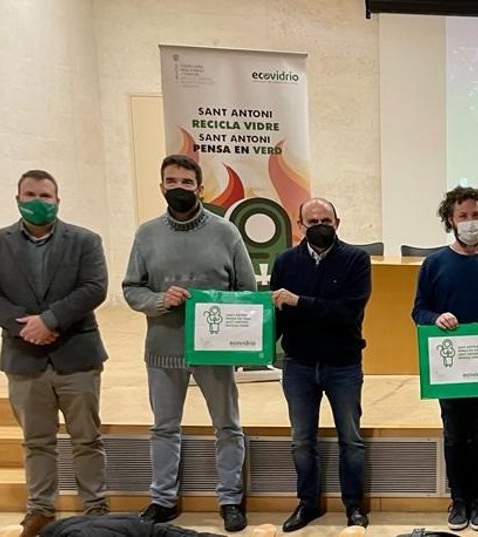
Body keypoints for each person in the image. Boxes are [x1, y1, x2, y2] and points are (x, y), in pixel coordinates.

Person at [122, 155, 257, 532]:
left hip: (215, 349)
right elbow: (131, 289)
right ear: (161, 186)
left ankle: (230, 499)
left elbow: (246, 289)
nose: (179, 188)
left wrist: (223, 316)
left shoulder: (226, 232)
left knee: (227, 426)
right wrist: (159, 300)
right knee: (164, 427)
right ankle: (163, 499)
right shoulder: (146, 234)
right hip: (163, 347)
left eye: (186, 182)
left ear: (200, 188)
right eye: (172, 182)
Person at [0, 170, 110, 537]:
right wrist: (25, 326)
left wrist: (50, 320)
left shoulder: (85, 241)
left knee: (87, 438)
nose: (38, 202)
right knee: (36, 441)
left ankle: (96, 508)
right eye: (30, 195)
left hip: (76, 354)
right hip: (24, 357)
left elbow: (94, 287)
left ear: (57, 200)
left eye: (45, 196)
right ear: (17, 199)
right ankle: (41, 510)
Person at [411, 186, 478, 532]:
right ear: (450, 219)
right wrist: (436, 318)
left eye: (476, 215)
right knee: (455, 436)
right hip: (448, 372)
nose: (471, 221)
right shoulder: (434, 264)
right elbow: (419, 310)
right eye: (463, 216)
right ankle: (459, 500)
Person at [271, 198, 372, 532]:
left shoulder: (356, 260)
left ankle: (353, 506)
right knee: (301, 440)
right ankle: (308, 504)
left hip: (343, 364)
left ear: (337, 223)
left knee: (351, 440)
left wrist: (299, 302)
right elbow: (276, 315)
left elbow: (347, 312)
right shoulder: (285, 261)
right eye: (312, 221)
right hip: (298, 365)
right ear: (300, 225)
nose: (319, 226)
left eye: (325, 221)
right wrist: (252, 343)